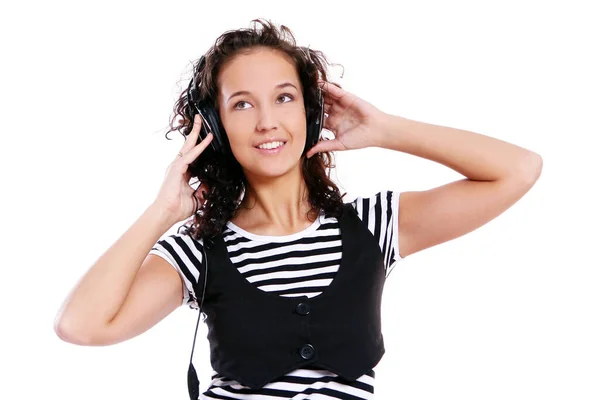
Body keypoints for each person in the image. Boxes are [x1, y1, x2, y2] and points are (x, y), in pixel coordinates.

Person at [54, 18, 543, 399]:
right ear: (217, 129)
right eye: (242, 105)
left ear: (309, 111)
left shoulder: (375, 226)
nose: (268, 122)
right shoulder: (198, 251)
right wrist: (162, 211)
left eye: (284, 98)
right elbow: (81, 326)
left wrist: (386, 130)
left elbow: (518, 170)